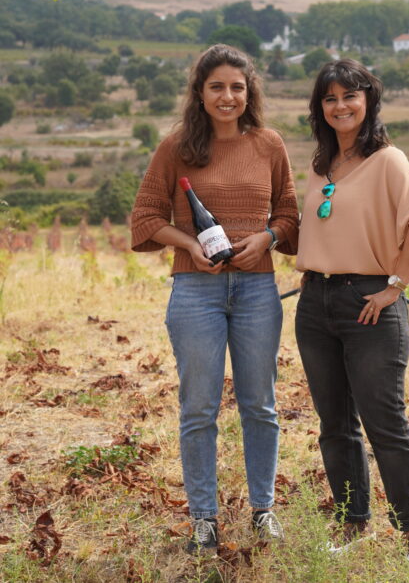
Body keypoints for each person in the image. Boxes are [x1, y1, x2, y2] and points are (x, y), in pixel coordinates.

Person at [130, 44, 299, 554]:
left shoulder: (269, 144)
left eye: (237, 87)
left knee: (261, 406)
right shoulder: (176, 147)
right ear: (200, 93)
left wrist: (266, 240)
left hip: (256, 290)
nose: (228, 97)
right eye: (217, 87)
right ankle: (204, 518)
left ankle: (262, 510)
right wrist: (187, 245)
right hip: (195, 291)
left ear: (250, 94)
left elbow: (289, 213)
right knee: (199, 408)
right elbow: (145, 218)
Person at [295, 58, 409, 566]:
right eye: (330, 98)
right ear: (320, 109)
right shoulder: (319, 167)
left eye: (350, 96)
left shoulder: (389, 160)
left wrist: (395, 286)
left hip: (369, 303)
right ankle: (353, 521)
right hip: (315, 304)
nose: (340, 106)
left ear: (368, 102)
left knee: (384, 420)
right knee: (334, 422)